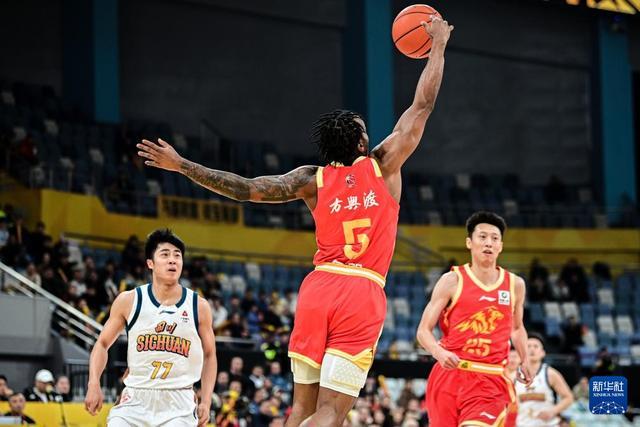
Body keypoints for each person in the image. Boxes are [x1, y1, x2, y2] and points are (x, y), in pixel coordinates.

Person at [137, 17, 452, 426]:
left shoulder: (310, 179)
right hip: (361, 290)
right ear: (361, 142)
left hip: (318, 288)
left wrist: (182, 165)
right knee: (331, 411)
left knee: (300, 409)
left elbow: (245, 188)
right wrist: (438, 44)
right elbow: (422, 106)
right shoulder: (383, 163)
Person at [84, 229, 217, 426]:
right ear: (150, 263)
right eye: (165, 254)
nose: (172, 260)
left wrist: (206, 400)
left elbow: (210, 355)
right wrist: (94, 383)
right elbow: (102, 344)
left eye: (177, 256)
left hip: (178, 400)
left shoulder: (199, 306)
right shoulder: (129, 300)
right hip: (135, 398)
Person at [417, 211, 532, 426]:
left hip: (489, 378)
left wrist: (525, 359)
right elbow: (423, 331)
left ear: (500, 246)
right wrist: (438, 352)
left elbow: (517, 329)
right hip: (450, 375)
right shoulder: (451, 280)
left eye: (495, 238)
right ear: (469, 242)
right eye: (483, 237)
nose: (489, 243)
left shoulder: (515, 284)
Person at [516, 334, 574, 426]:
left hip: (548, 424)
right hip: (523, 424)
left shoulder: (550, 373)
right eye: (528, 346)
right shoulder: (515, 375)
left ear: (543, 353)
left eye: (536, 346)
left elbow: (568, 398)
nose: (532, 349)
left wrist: (553, 411)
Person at [504, 348, 520, 427]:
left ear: (520, 359)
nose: (512, 360)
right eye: (510, 357)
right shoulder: (499, 374)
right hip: (502, 412)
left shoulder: (525, 377)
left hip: (519, 414)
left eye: (515, 357)